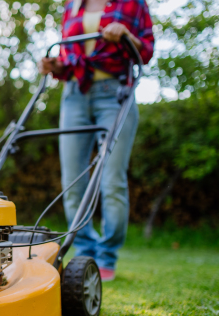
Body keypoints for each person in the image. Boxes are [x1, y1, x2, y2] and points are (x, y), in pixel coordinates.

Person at [38, 0, 154, 281]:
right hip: (74, 95)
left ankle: (107, 257)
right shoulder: (71, 5)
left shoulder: (133, 3)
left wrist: (126, 34)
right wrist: (54, 65)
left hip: (115, 92)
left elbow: (147, 50)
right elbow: (69, 59)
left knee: (111, 177)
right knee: (73, 181)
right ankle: (85, 252)